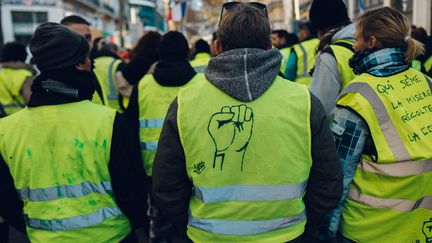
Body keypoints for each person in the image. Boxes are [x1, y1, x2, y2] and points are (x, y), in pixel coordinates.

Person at [152, 2, 342, 242]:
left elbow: (167, 186)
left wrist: (188, 227)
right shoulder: (304, 102)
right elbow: (328, 182)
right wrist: (305, 227)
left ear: (217, 47)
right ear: (270, 45)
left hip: (208, 237)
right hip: (287, 236)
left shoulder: (186, 102)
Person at [0, 23, 149, 242]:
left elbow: (6, 200)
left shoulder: (6, 131)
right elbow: (133, 194)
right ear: (80, 64)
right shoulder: (108, 122)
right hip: (112, 236)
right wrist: (139, 227)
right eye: (88, 57)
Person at [329, 7, 431, 242]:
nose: (354, 45)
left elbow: (339, 176)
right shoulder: (425, 82)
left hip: (369, 229)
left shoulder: (358, 95)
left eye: (357, 38)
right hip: (419, 227)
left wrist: (325, 232)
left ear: (371, 42)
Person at [124, 31, 197, 242]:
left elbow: (130, 126)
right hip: (192, 167)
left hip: (152, 170)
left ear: (159, 53)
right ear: (187, 52)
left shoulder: (144, 85)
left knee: (160, 220)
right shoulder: (200, 84)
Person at [309, 0, 356, 119]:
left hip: (347, 132)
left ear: (321, 29)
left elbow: (320, 109)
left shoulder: (330, 56)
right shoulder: (371, 42)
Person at [60, 15, 106, 107]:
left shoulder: (92, 68)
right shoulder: (58, 78)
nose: (85, 43)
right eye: (77, 38)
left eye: (88, 38)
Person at [0, 42, 34, 117]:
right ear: (22, 56)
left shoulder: (1, 73)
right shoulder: (25, 75)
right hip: (18, 120)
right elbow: (30, 103)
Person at [284, 21, 319, 86]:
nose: (299, 34)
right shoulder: (323, 43)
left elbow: (289, 70)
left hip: (303, 88)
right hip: (321, 86)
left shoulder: (298, 48)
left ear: (307, 32)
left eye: (301, 31)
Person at [92, 42, 125, 111]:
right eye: (119, 52)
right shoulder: (118, 63)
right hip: (116, 110)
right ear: (113, 51)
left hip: (96, 109)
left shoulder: (92, 62)